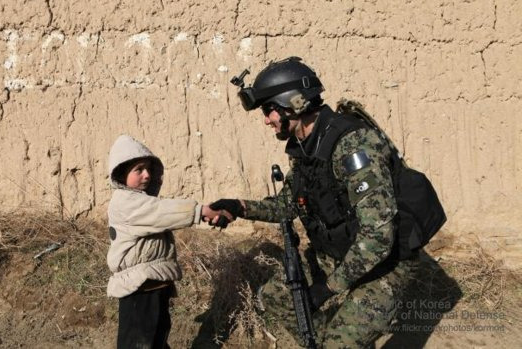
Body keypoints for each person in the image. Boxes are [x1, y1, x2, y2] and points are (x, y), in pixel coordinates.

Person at [210, 57, 420, 347]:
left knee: (340, 341)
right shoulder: (304, 147)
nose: (266, 120)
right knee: (277, 297)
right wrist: (238, 207)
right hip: (337, 254)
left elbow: (378, 238)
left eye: (268, 110)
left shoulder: (352, 144)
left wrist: (326, 289)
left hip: (385, 265)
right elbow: (287, 205)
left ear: (293, 102)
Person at [106, 134, 222, 349]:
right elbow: (162, 212)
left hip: (154, 284)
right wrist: (200, 211)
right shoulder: (125, 203)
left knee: (157, 341)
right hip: (139, 289)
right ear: (122, 175)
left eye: (149, 169)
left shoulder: (140, 200)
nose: (147, 175)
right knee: (138, 344)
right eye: (138, 170)